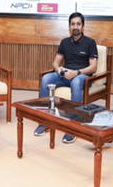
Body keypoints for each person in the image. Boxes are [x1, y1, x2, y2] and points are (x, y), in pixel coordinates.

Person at [35, 12, 98, 143]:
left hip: (82, 77)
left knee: (76, 82)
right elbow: (55, 63)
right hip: (65, 76)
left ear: (82, 26)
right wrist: (59, 70)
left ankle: (73, 125)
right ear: (69, 26)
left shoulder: (90, 43)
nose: (75, 27)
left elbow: (93, 67)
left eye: (78, 24)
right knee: (46, 79)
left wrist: (76, 72)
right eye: (73, 24)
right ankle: (45, 120)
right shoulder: (64, 42)